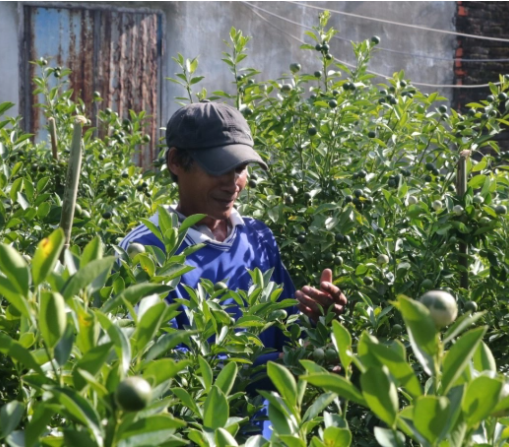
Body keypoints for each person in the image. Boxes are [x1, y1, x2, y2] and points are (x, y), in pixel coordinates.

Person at [118, 101, 347, 437]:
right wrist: (278, 366)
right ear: (176, 162)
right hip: (193, 432)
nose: (233, 182)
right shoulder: (147, 250)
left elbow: (285, 330)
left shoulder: (257, 237)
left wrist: (316, 319)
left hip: (269, 431)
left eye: (240, 168)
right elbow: (158, 366)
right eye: (218, 168)